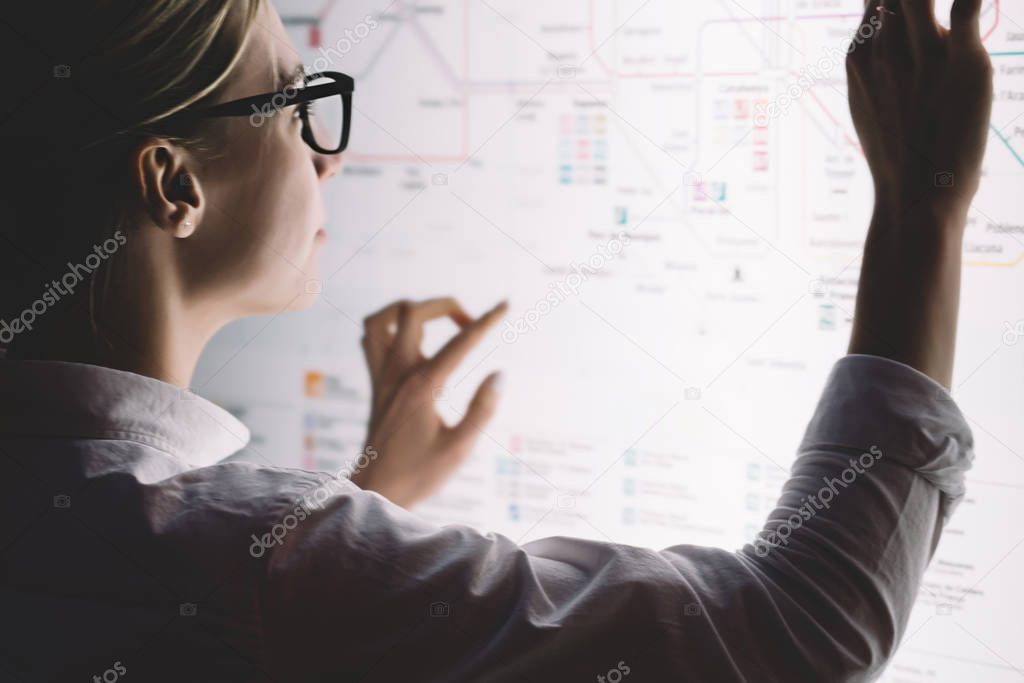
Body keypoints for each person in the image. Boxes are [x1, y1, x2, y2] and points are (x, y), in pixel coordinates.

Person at [0, 0, 991, 680]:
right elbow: (792, 635)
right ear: (174, 184)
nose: (326, 156)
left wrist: (368, 496)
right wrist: (920, 207)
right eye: (294, 103)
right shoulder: (237, 562)